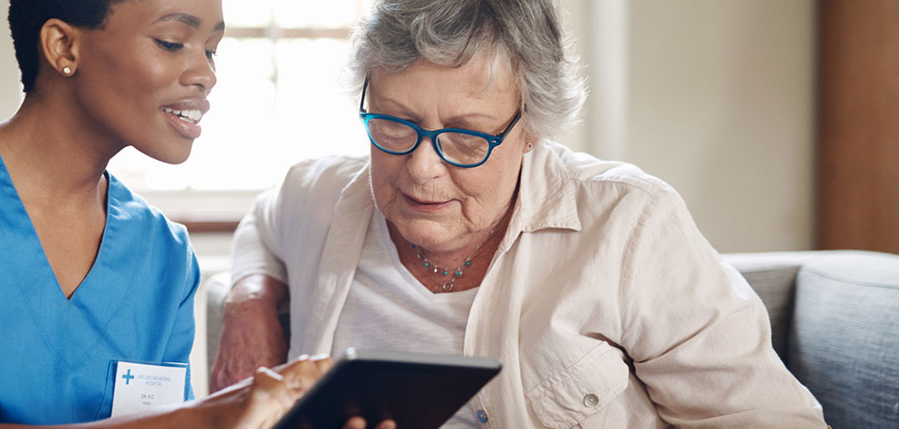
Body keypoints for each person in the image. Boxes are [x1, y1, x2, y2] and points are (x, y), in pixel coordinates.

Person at [212, 0, 828, 427]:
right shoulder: (319, 195)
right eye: (394, 124)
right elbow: (264, 224)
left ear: (531, 129)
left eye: (465, 136)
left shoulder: (628, 225)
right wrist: (249, 298)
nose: (422, 170)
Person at [0, 0, 350, 428]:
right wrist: (212, 416)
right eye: (173, 40)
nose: (205, 75)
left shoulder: (164, 255)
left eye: (211, 49)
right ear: (64, 45)